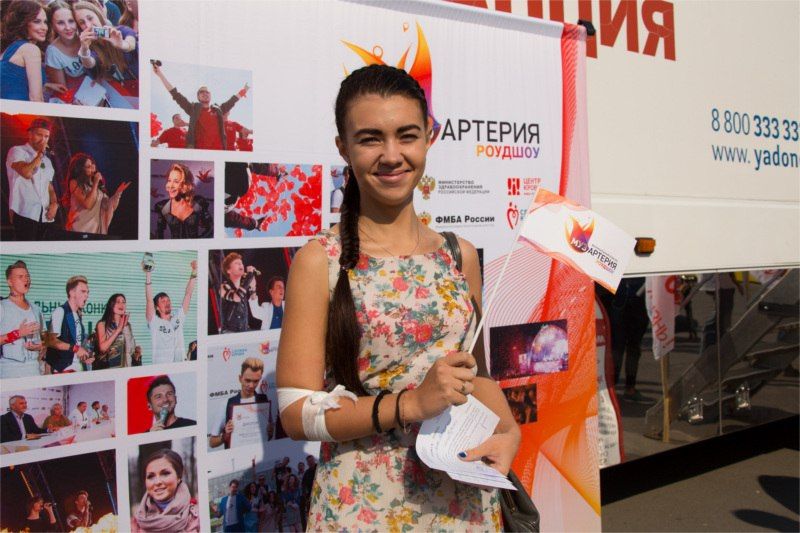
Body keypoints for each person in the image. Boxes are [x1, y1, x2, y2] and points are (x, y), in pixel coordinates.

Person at [276, 65, 519, 530]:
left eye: (407, 135)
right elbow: (295, 413)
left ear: (429, 137)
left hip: (463, 499)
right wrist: (410, 405)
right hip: (362, 505)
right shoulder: (320, 260)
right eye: (370, 139)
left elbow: (477, 373)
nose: (392, 155)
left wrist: (508, 430)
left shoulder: (460, 254)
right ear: (343, 148)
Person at [152, 62, 249, 150]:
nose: (205, 93)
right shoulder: (192, 109)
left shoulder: (218, 110)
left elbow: (232, 101)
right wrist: (160, 74)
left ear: (210, 95)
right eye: (202, 92)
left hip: (219, 152)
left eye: (207, 92)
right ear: (198, 97)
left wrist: (244, 91)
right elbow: (175, 94)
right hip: (200, 153)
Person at [4, 118, 59, 241]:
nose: (43, 140)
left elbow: (49, 187)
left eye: (46, 136)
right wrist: (40, 155)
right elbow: (26, 173)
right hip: (24, 212)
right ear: (30, 134)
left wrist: (54, 204)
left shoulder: (47, 161)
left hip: (45, 215)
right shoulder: (17, 151)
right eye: (39, 135)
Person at [1, 0, 66, 101]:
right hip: (21, 110)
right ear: (23, 23)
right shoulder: (31, 49)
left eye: (45, 22)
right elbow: (36, 98)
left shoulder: (9, 47)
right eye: (37, 21)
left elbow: (13, 81)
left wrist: (46, 85)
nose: (44, 27)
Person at [600, 277, 652, 402]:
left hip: (639, 301)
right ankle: (612, 389)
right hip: (618, 300)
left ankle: (630, 388)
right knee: (617, 347)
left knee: (633, 347)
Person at [209, 357, 274, 449]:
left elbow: (268, 436)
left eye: (255, 381)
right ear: (240, 378)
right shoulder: (227, 403)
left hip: (258, 454)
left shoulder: (264, 401)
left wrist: (270, 432)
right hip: (236, 456)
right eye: (247, 380)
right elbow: (212, 442)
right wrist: (225, 436)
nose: (251, 385)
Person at [131, 448, 200, 532]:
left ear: (179, 476)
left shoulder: (197, 516)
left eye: (165, 473)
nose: (157, 482)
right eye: (151, 476)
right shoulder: (135, 523)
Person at [63, 152, 130, 234]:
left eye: (92, 164)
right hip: (79, 231)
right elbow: (88, 204)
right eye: (88, 166)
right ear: (80, 170)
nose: (92, 167)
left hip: (95, 232)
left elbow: (109, 207)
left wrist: (118, 194)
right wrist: (95, 182)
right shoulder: (74, 182)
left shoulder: (98, 188)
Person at [144, 259, 197, 365]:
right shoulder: (154, 322)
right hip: (162, 368)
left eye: (168, 300)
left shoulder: (178, 318)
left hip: (181, 366)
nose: (167, 302)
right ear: (157, 307)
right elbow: (149, 300)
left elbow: (188, 294)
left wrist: (194, 271)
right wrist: (148, 273)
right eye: (163, 301)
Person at [73, 1, 138, 85]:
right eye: (82, 23)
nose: (88, 25)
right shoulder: (91, 48)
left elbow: (131, 44)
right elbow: (89, 63)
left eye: (90, 18)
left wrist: (122, 44)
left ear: (98, 16)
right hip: (119, 90)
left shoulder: (120, 30)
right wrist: (84, 50)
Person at [0, 261, 45, 378]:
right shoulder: (2, 306)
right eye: (20, 277)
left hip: (34, 369)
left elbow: (45, 340)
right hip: (9, 370)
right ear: (9, 282)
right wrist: (18, 333)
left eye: (27, 276)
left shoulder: (36, 309)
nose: (26, 280)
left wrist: (41, 346)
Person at [46, 275, 93, 373]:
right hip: (63, 370)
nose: (86, 295)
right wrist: (76, 348)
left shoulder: (77, 315)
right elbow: (51, 341)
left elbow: (76, 347)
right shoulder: (60, 311)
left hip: (77, 369)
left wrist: (84, 356)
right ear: (72, 293)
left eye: (87, 292)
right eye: (83, 291)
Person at [153, 163, 212, 239]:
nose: (170, 186)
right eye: (169, 180)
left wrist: (198, 243)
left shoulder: (199, 203)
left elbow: (210, 229)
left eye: (176, 181)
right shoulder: (163, 207)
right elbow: (159, 234)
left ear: (186, 184)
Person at [45, 1, 87, 98]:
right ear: (52, 25)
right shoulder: (53, 52)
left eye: (71, 21)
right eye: (60, 23)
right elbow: (63, 91)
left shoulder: (85, 38)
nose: (68, 27)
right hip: (77, 99)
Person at [95, 293, 140, 368]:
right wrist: (118, 330)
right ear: (111, 305)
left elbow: (130, 350)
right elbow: (103, 348)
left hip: (126, 368)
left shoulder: (127, 325)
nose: (121, 305)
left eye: (123, 302)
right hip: (109, 369)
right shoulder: (102, 324)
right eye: (118, 302)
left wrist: (125, 327)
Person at [218, 252, 257, 333]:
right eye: (237, 263)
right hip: (229, 332)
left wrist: (253, 288)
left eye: (241, 263)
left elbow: (254, 306)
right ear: (228, 270)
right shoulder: (223, 287)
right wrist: (249, 276)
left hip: (244, 330)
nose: (241, 265)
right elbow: (237, 297)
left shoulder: (243, 287)